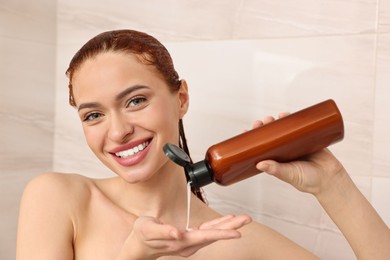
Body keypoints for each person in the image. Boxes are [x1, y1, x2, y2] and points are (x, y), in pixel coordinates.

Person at [16, 29, 390, 260]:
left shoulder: (237, 238)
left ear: (181, 99)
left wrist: (333, 184)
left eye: (135, 101)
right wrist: (134, 255)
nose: (117, 132)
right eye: (93, 115)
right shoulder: (59, 198)